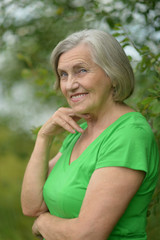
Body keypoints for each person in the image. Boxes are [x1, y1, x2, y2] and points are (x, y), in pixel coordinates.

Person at [21, 29, 159, 240]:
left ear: (113, 74)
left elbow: (88, 235)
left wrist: (43, 223)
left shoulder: (129, 134)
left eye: (81, 71)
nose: (69, 85)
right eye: (63, 74)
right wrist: (43, 138)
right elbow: (32, 205)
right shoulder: (80, 133)